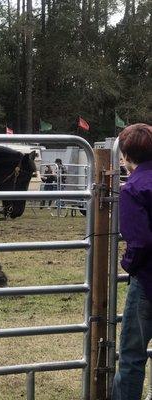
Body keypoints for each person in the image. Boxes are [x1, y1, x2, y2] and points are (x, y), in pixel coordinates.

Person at [112, 123, 152, 400]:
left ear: (126, 155)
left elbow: (140, 242)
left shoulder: (134, 188)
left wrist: (128, 264)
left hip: (148, 281)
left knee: (132, 356)